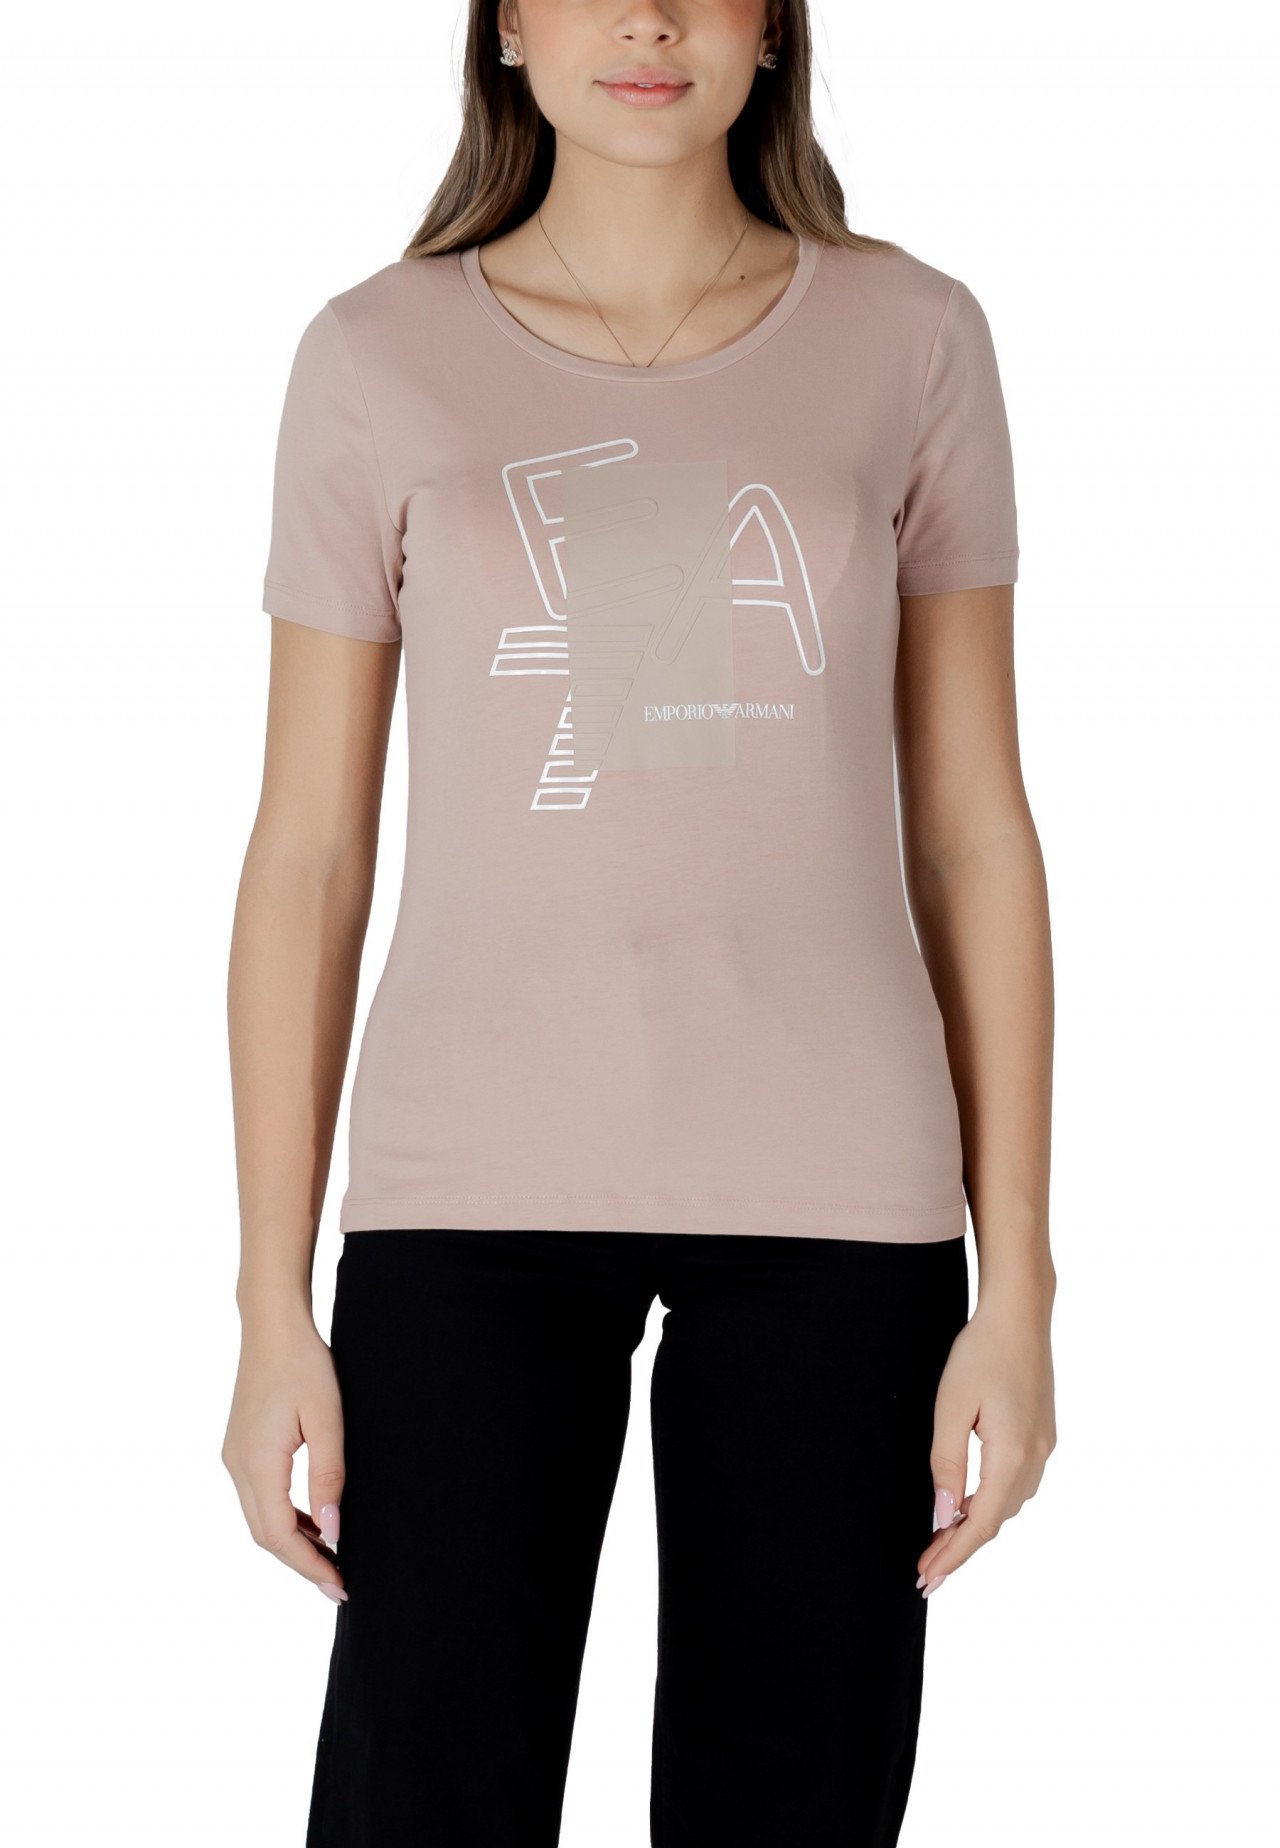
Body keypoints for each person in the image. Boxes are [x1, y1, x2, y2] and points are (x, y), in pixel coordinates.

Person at [222, 3, 1058, 1843]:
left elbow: (977, 835)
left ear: (772, 29)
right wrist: (271, 1302)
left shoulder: (914, 339)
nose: (650, 18)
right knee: (425, 1797)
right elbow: (307, 856)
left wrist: (1022, 1289)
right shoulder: (374, 354)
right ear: (509, 28)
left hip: (841, 1196)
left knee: (797, 1804)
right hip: (467, 1192)